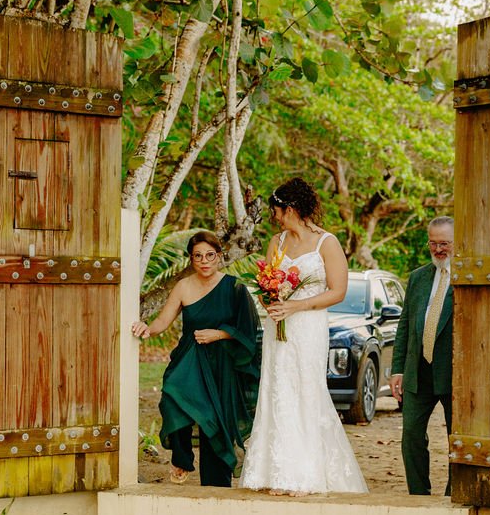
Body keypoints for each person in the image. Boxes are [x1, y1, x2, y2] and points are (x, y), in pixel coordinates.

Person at [239, 178, 368, 496]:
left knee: (305, 390)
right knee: (277, 390)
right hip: (279, 327)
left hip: (309, 326)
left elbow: (337, 291)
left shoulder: (327, 243)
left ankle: (306, 474)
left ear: (291, 209)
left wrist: (298, 304)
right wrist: (271, 302)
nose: (275, 217)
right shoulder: (277, 242)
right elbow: (268, 283)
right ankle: (275, 473)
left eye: (277, 211)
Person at [131, 231, 259, 487]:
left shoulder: (235, 288)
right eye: (198, 256)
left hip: (223, 365)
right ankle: (182, 458)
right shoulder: (183, 286)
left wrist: (219, 334)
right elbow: (163, 320)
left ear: (219, 256)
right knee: (171, 397)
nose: (204, 260)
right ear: (191, 259)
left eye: (210, 255)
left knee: (215, 422)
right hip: (190, 359)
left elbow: (249, 330)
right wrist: (146, 327)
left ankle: (216, 488)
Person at [390, 216, 455, 496]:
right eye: (433, 243)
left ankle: (455, 494)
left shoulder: (470, 277)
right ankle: (419, 495)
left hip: (454, 374)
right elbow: (404, 326)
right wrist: (397, 370)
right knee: (411, 437)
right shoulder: (417, 278)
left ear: (457, 243)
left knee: (458, 441)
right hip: (418, 370)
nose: (438, 249)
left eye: (444, 243)